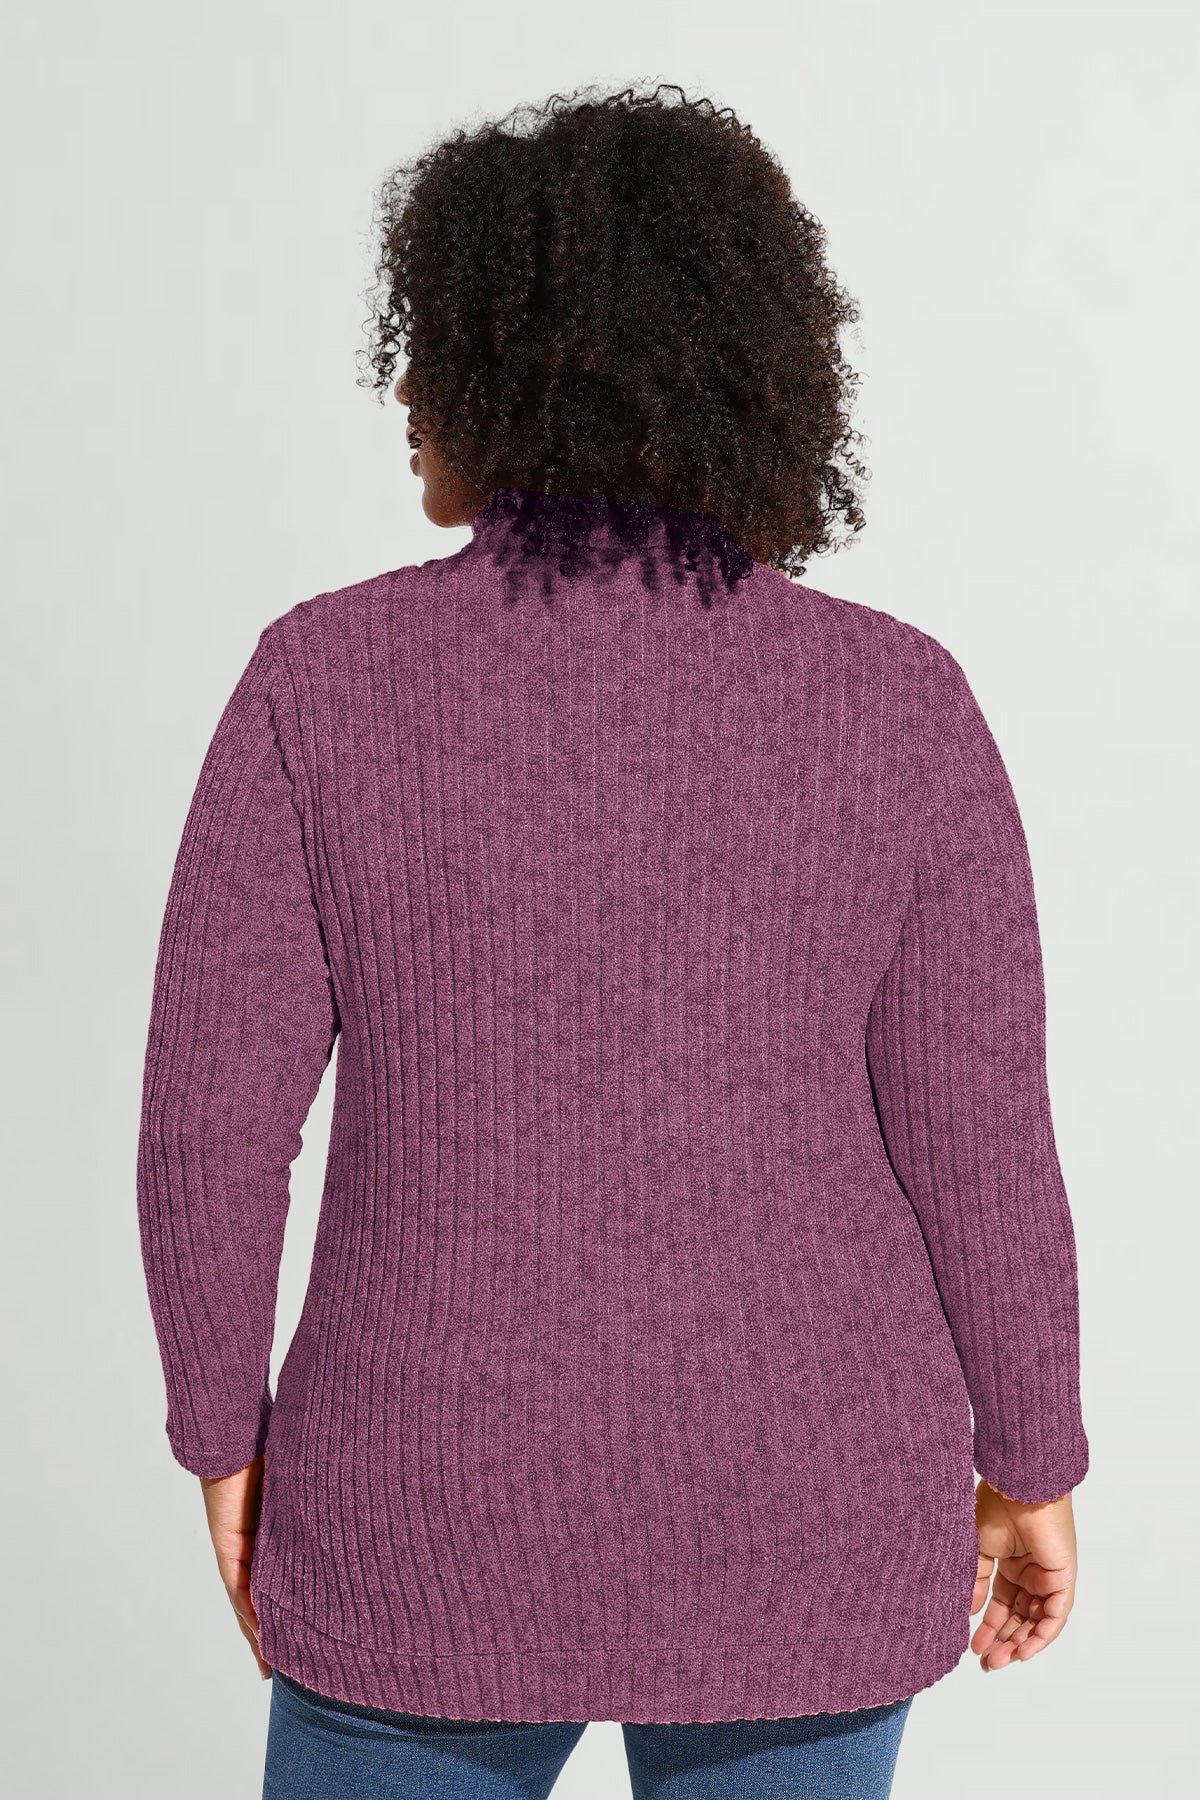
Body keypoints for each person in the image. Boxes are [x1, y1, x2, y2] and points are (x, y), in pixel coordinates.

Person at [135, 81, 1088, 1800]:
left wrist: (222, 1434)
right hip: (805, 1507)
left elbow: (209, 1127)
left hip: (415, 1504)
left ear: (503, 374)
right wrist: (1034, 1459)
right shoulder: (898, 701)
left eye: (430, 350)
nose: (405, 395)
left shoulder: (318, 684)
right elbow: (983, 1142)